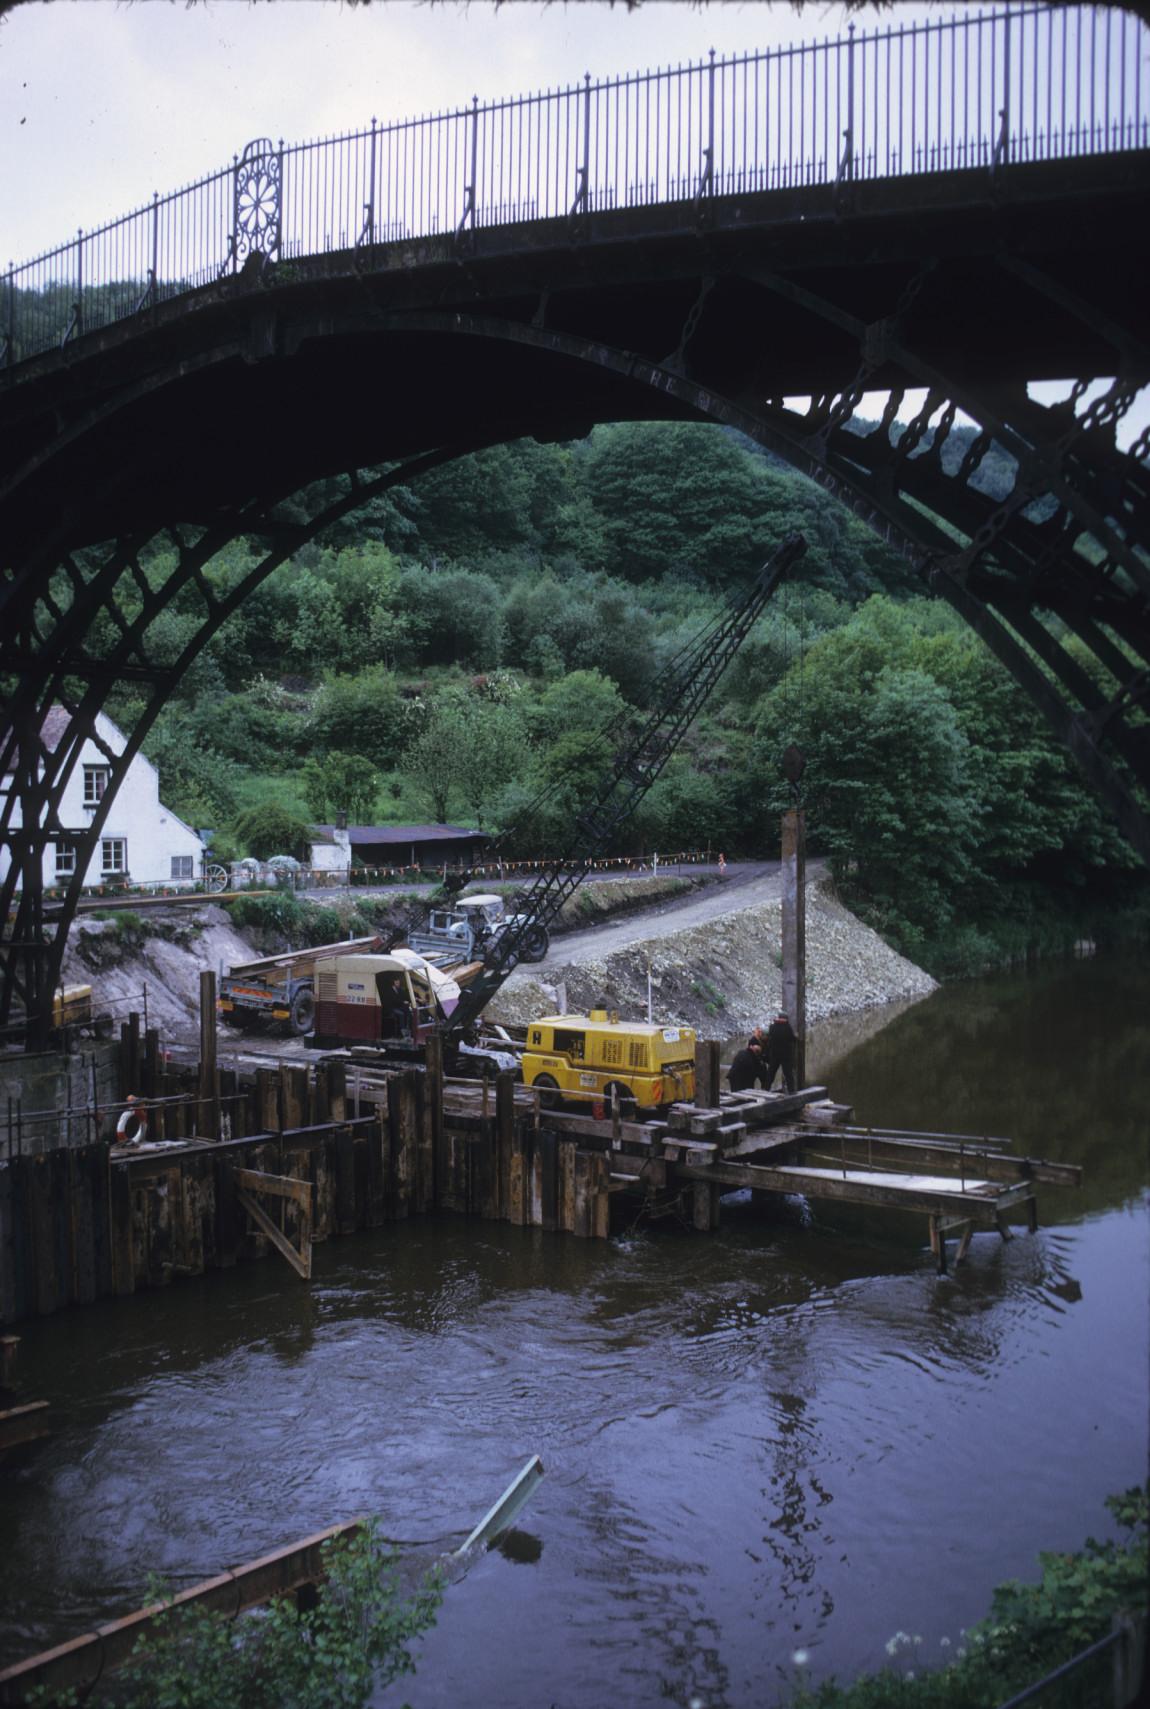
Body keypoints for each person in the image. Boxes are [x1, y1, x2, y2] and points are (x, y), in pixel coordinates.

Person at [763, 1011, 798, 1093]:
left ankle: (766, 1089)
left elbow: (770, 1037)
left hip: (774, 1055)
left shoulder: (772, 1027)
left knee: (771, 1072)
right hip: (785, 1055)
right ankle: (791, 1091)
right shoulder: (787, 1027)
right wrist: (796, 1037)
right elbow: (792, 1039)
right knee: (788, 1073)